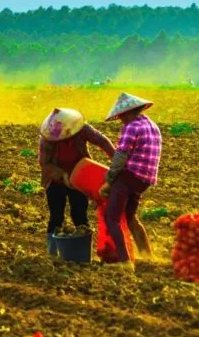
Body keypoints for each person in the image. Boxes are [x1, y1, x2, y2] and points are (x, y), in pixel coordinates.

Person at [39, 108, 116, 256]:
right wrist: (62, 175)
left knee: (80, 214)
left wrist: (116, 160)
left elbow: (102, 141)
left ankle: (84, 253)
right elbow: (44, 163)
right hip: (55, 181)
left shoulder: (82, 129)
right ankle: (52, 253)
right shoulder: (47, 139)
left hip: (80, 176)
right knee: (56, 216)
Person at [99, 93, 161, 266]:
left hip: (129, 176)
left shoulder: (131, 127)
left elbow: (121, 156)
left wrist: (109, 181)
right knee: (130, 216)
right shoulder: (152, 125)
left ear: (129, 112)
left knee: (111, 217)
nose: (120, 120)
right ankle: (147, 256)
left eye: (121, 116)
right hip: (145, 180)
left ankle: (125, 262)